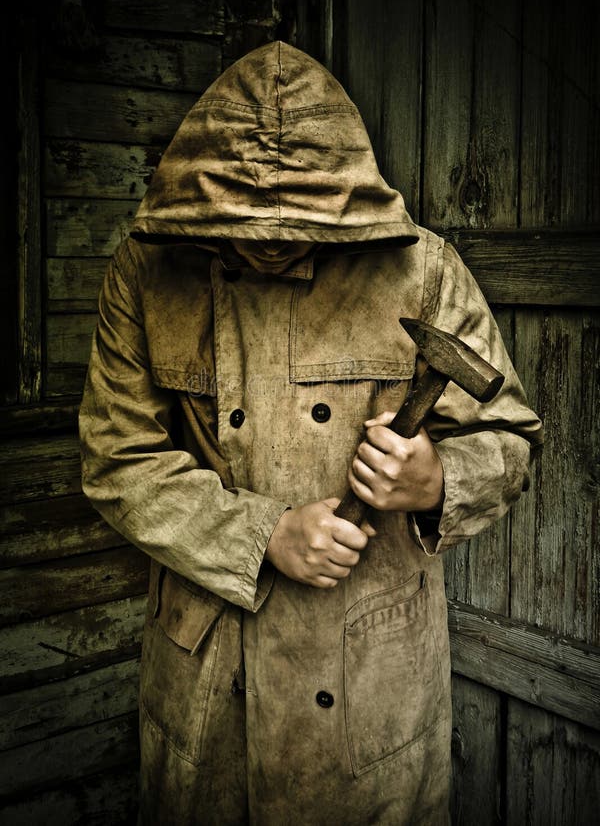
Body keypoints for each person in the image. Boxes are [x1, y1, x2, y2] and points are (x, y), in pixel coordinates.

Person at [79, 40, 543, 825]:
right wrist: (262, 534)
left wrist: (434, 480)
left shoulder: (423, 271)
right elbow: (116, 458)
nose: (267, 239)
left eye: (294, 223)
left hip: (373, 675)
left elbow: (510, 437)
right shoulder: (143, 272)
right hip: (209, 673)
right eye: (242, 222)